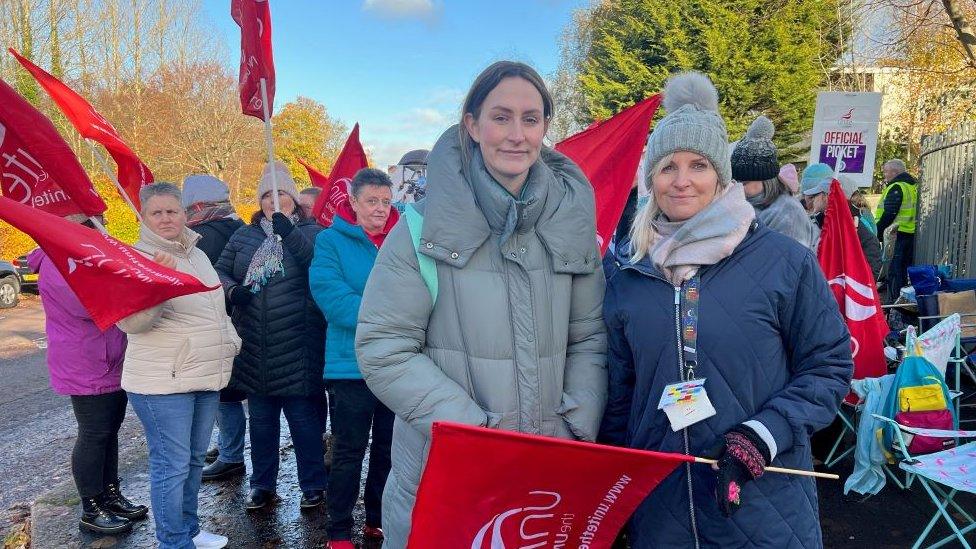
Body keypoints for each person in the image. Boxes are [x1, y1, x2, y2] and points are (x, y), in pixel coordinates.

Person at [355, 60, 608, 548]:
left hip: (544, 477)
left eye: (530, 119)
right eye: (501, 117)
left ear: (544, 129)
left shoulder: (570, 221)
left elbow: (589, 335)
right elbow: (384, 346)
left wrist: (575, 425)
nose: (516, 134)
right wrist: (475, 436)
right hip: (448, 471)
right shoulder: (417, 230)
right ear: (471, 125)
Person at [600, 72, 853, 548]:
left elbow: (830, 365)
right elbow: (619, 396)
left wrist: (763, 435)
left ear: (720, 174)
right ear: (650, 178)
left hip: (762, 505)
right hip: (663, 512)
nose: (682, 181)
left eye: (698, 165)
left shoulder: (784, 260)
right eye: (667, 167)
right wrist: (611, 494)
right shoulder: (628, 276)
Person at [118, 183, 241, 549]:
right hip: (161, 382)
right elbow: (132, 323)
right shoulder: (136, 257)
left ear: (185, 213)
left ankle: (188, 529)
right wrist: (156, 285)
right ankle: (173, 541)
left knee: (191, 462)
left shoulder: (197, 254)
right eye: (157, 212)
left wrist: (232, 342)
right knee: (170, 466)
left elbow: (214, 309)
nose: (166, 218)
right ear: (144, 216)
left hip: (204, 375)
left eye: (172, 211)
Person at [215, 161, 328, 511]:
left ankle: (313, 486)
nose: (274, 200)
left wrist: (289, 234)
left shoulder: (312, 232)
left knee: (304, 424)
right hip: (255, 346)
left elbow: (317, 265)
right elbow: (218, 270)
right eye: (267, 194)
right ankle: (262, 485)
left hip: (299, 344)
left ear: (293, 198)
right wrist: (232, 292)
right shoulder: (244, 235)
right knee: (261, 426)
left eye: (281, 193)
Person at [27, 215, 146, 536]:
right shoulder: (58, 263)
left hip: (110, 358)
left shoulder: (86, 257)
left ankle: (110, 494)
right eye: (92, 224)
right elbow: (90, 305)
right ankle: (91, 507)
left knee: (109, 431)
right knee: (94, 433)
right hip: (85, 362)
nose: (100, 228)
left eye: (101, 221)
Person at [310, 168, 399, 548]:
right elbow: (330, 295)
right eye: (372, 201)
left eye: (385, 201)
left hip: (398, 363)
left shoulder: (402, 240)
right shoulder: (331, 241)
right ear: (354, 203)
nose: (380, 209)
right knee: (349, 450)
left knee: (389, 447)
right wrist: (390, 316)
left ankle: (377, 517)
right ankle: (339, 528)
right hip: (351, 365)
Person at [179, 174, 249, 483]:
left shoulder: (197, 239)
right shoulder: (243, 228)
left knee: (224, 393)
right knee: (233, 391)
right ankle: (226, 447)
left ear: (197, 206)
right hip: (247, 321)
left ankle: (231, 455)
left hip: (217, 323)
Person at [732, 115, 819, 251]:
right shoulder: (744, 205)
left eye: (744, 183)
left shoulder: (788, 213)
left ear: (766, 180)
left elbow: (790, 263)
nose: (736, 188)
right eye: (734, 182)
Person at [802, 165, 883, 280]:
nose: (811, 199)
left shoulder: (854, 225)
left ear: (827, 197)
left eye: (815, 195)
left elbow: (871, 269)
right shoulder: (821, 221)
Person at [876, 158, 918, 302]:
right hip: (910, 234)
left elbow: (889, 213)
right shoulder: (913, 186)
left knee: (895, 273)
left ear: (895, 172)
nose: (885, 175)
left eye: (886, 171)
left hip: (896, 235)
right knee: (902, 271)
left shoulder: (896, 187)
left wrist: (878, 232)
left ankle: (894, 306)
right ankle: (902, 303)